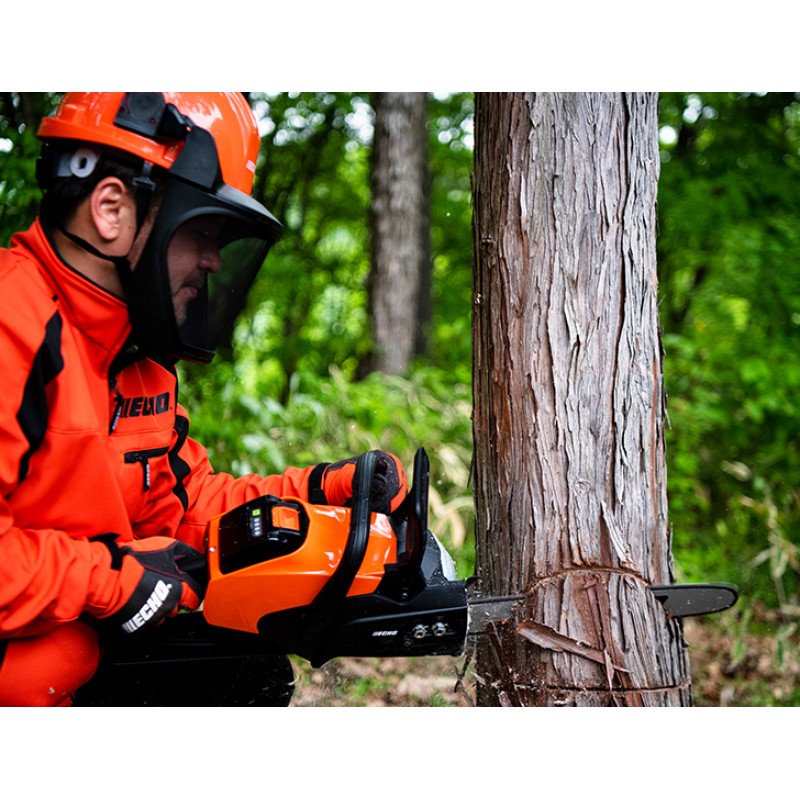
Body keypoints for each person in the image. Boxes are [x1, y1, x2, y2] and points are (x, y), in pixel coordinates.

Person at [0, 92, 408, 706]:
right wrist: (112, 579)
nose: (213, 259)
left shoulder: (135, 359)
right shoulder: (12, 324)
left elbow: (183, 513)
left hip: (78, 637)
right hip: (37, 657)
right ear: (112, 208)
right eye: (201, 230)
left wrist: (320, 491)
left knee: (241, 669)